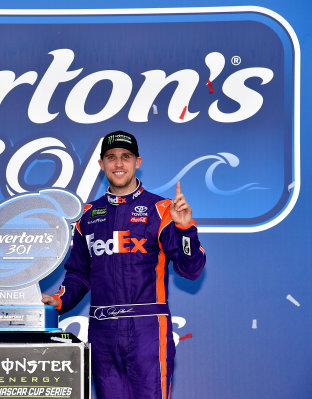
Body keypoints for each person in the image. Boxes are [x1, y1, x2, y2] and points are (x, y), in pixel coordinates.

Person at [42, 130, 206, 399]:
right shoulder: (87, 215)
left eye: (125, 157)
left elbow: (191, 269)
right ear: (101, 165)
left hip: (148, 332)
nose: (118, 164)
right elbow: (79, 275)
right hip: (102, 333)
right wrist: (59, 301)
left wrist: (185, 228)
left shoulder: (162, 210)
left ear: (137, 162)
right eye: (111, 157)